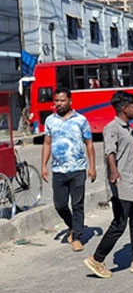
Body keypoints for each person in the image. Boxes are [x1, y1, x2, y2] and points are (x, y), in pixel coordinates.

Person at [84, 92, 133, 278]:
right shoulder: (112, 127)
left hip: (129, 181)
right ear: (124, 108)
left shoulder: (127, 128)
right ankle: (97, 258)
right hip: (119, 182)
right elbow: (110, 151)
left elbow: (127, 157)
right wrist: (113, 170)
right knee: (119, 223)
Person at [41, 88, 97, 252]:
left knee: (77, 204)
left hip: (78, 169)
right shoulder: (50, 120)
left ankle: (78, 237)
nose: (59, 104)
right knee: (60, 205)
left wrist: (92, 167)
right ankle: (72, 225)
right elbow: (47, 143)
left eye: (62, 100)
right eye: (56, 101)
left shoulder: (81, 120)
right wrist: (43, 165)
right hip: (58, 171)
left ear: (70, 101)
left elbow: (89, 144)